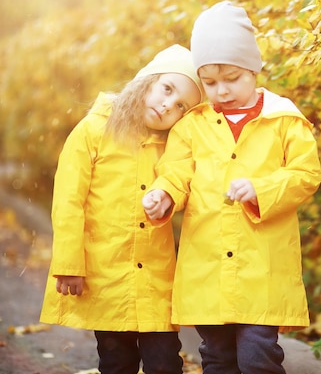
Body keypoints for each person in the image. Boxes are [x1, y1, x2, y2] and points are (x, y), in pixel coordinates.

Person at [142, 1, 321, 374]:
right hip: (207, 264)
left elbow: (306, 175)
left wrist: (263, 189)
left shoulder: (284, 120)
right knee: (217, 357)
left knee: (259, 355)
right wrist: (165, 193)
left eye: (232, 78)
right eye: (209, 83)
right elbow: (176, 170)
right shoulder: (192, 125)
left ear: (254, 69)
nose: (221, 91)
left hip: (263, 267)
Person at [39, 44, 204, 374]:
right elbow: (68, 200)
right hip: (106, 274)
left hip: (156, 278)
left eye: (180, 106)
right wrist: (69, 264)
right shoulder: (94, 130)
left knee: (165, 364)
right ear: (147, 81)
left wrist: (169, 199)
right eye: (167, 89)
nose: (167, 105)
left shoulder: (174, 145)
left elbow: (183, 181)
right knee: (116, 362)